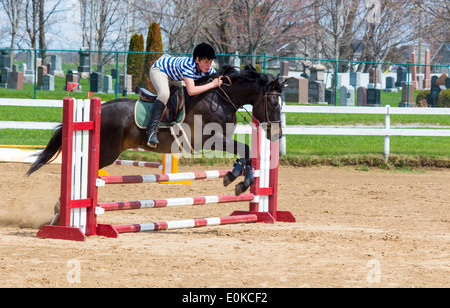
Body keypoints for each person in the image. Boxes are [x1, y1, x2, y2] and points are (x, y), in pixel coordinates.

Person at [146, 42, 223, 147]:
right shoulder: (188, 66)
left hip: (174, 76)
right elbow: (192, 90)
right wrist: (212, 84)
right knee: (164, 94)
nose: (208, 65)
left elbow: (219, 78)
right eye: (206, 61)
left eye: (210, 61)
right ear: (197, 60)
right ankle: (151, 132)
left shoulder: (207, 69)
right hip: (160, 69)